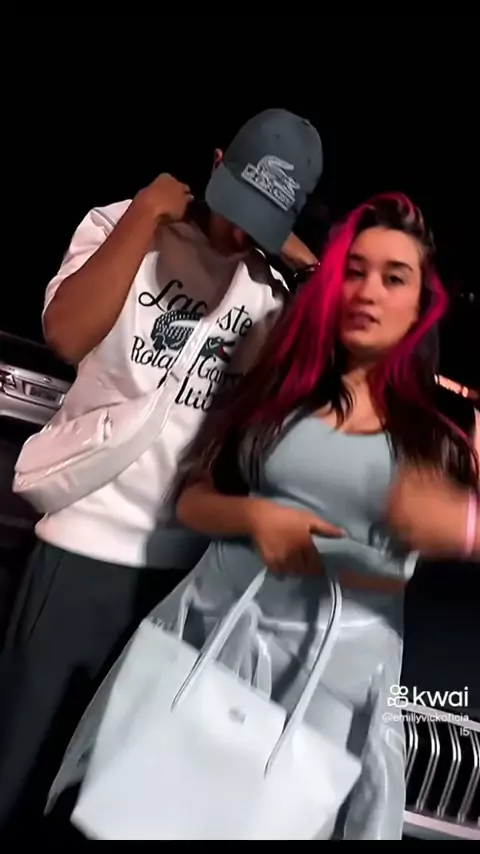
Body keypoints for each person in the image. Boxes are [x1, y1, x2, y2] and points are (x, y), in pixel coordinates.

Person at [45, 192, 479, 839]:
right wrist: (257, 518)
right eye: (354, 271)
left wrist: (462, 526)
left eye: (394, 278)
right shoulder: (283, 389)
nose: (368, 292)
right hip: (212, 643)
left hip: (326, 690)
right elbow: (194, 498)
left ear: (421, 304)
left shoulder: (444, 438)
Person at [0, 109, 324, 834]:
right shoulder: (124, 224)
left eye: (263, 221)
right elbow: (66, 334)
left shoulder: (269, 290)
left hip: (178, 581)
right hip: (80, 548)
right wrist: (147, 212)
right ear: (217, 162)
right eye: (238, 206)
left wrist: (308, 268)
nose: (239, 233)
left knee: (103, 800)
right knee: (16, 773)